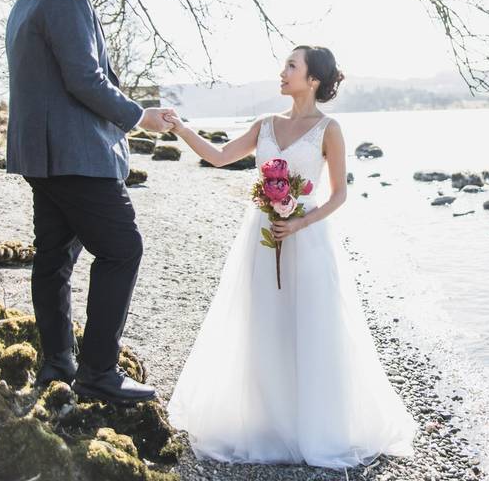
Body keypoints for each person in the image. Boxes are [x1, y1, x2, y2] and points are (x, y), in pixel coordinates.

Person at [165, 45, 417, 467]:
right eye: (285, 65)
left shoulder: (329, 129)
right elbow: (220, 156)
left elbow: (339, 194)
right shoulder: (265, 124)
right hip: (261, 237)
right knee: (263, 323)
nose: (282, 72)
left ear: (313, 79)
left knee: (311, 327)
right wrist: (181, 129)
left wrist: (299, 223)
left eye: (291, 66)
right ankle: (267, 423)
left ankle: (313, 426)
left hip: (308, 240)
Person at [5, 0, 176, 404]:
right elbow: (84, 79)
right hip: (77, 156)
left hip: (45, 158)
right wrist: (138, 115)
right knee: (123, 248)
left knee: (53, 259)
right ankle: (99, 371)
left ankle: (57, 363)